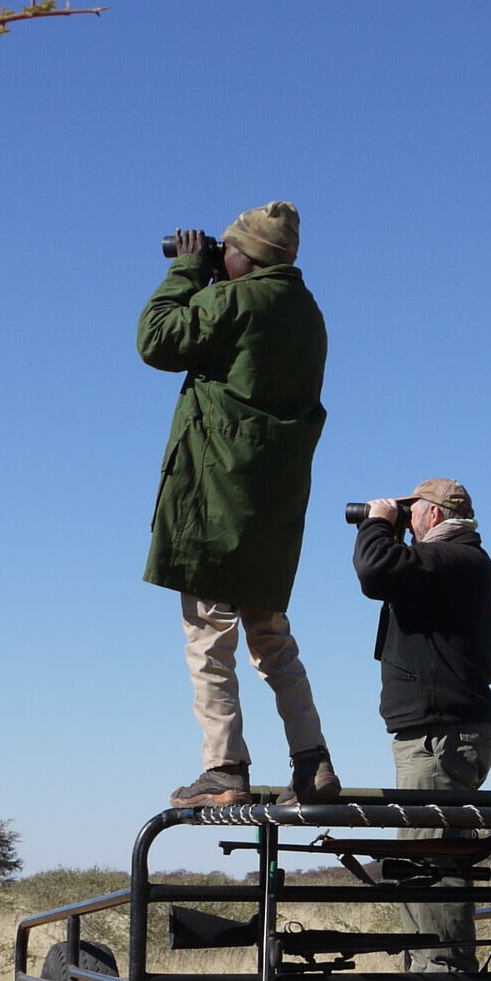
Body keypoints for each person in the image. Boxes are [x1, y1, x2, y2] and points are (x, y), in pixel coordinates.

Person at [137, 201, 343, 808]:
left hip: (217, 498)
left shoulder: (237, 300)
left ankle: (223, 769)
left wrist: (185, 273)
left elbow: (156, 340)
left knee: (208, 635)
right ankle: (314, 763)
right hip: (273, 508)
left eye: (226, 249)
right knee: (272, 637)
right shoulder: (307, 313)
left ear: (246, 257)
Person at [353, 478, 491, 971]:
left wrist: (377, 523)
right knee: (422, 857)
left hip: (440, 738)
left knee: (431, 859)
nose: (405, 516)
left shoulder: (457, 560)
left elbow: (375, 572)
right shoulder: (447, 566)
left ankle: (445, 977)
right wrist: (391, 531)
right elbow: (391, 577)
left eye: (411, 510)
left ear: (433, 515)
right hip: (436, 734)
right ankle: (436, 970)